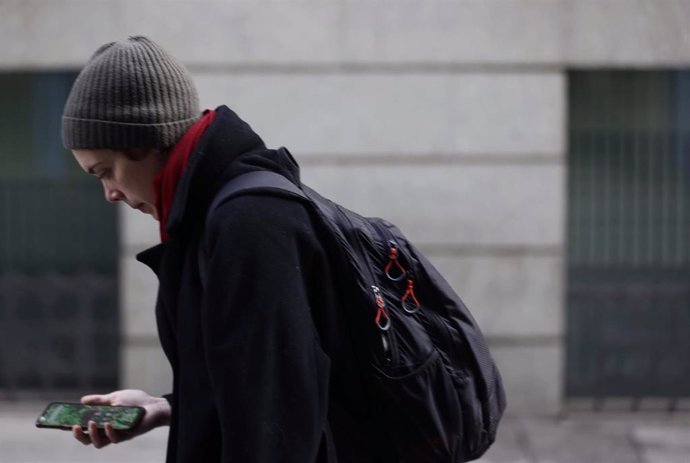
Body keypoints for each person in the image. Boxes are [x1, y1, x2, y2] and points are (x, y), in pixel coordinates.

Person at [62, 36, 379, 462]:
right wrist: (165, 407)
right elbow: (247, 387)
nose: (110, 193)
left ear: (143, 142)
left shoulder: (248, 222)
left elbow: (277, 423)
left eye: (106, 172)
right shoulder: (208, 219)